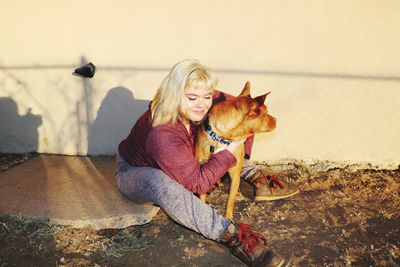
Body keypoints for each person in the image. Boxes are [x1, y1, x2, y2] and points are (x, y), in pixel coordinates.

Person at [116, 59, 295, 266]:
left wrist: (239, 144)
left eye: (207, 96)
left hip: (178, 158)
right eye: (192, 98)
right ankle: (231, 235)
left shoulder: (203, 103)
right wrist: (233, 146)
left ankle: (251, 173)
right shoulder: (163, 134)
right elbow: (198, 184)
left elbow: (239, 106)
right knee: (163, 182)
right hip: (136, 172)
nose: (202, 104)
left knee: (217, 139)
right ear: (175, 94)